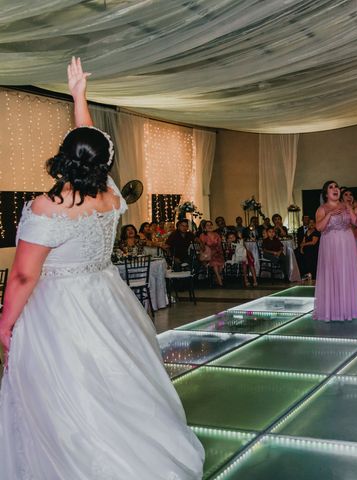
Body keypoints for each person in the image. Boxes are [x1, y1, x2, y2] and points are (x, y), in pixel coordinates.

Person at [0, 57, 204, 478]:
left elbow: (22, 275)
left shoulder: (48, 206)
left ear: (64, 156)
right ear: (102, 164)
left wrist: (4, 325)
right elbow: (91, 145)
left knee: (66, 391)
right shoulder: (111, 197)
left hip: (58, 310)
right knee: (114, 383)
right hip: (105, 297)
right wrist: (79, 96)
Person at [314, 180, 357, 321]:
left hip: (347, 244)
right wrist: (329, 215)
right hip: (331, 246)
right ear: (326, 193)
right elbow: (319, 228)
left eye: (336, 187)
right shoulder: (322, 209)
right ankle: (333, 311)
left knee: (346, 274)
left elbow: (356, 222)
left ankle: (348, 309)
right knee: (333, 275)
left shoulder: (346, 205)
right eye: (331, 187)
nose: (335, 189)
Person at [198, 220, 225, 286]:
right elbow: (202, 247)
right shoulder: (203, 235)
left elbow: (219, 245)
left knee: (221, 265)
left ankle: (216, 277)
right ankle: (219, 281)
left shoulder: (216, 234)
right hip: (208, 254)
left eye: (210, 225)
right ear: (204, 227)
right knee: (215, 264)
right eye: (207, 225)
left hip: (217, 252)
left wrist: (219, 252)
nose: (209, 226)